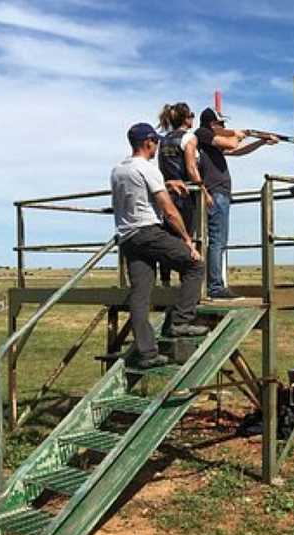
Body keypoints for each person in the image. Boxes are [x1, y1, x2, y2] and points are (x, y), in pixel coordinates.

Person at [111, 123, 208, 368]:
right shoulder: (147, 168)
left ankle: (147, 353)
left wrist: (167, 183)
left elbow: (139, 192)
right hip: (148, 232)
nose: (157, 146)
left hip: (128, 238)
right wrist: (187, 240)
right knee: (195, 265)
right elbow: (168, 209)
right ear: (148, 142)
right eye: (155, 142)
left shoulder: (118, 170)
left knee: (140, 295)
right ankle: (180, 321)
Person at [195, 107, 277, 297]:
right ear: (212, 124)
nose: (225, 127)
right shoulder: (203, 134)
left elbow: (237, 150)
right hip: (215, 193)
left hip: (218, 193)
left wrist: (260, 141)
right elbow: (233, 144)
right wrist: (241, 134)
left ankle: (213, 284)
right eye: (221, 124)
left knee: (217, 240)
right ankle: (215, 286)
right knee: (217, 240)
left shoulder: (210, 142)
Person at [156, 102, 210, 286]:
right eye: (192, 115)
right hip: (185, 194)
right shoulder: (189, 138)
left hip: (165, 192)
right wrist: (204, 192)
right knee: (188, 237)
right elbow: (191, 168)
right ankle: (187, 282)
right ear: (187, 119)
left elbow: (162, 167)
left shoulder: (163, 140)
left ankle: (164, 282)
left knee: (167, 238)